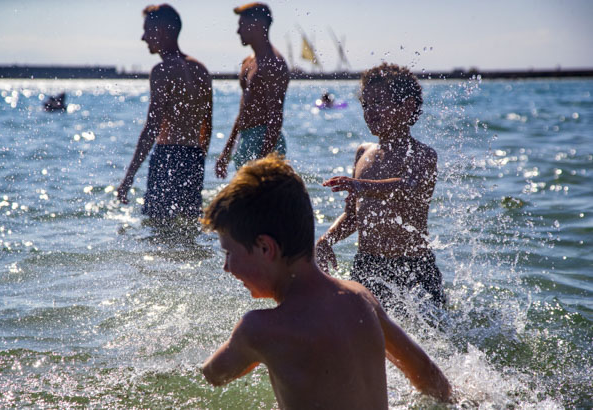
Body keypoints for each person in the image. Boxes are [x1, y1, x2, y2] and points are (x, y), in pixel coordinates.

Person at [201, 154, 452, 408]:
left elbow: (213, 374)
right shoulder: (360, 298)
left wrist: (249, 347)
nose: (226, 267)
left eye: (229, 253)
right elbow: (429, 377)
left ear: (266, 248)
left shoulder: (258, 329)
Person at [316, 63, 446, 309]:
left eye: (378, 103)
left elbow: (408, 186)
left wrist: (359, 184)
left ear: (407, 107)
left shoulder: (422, 155)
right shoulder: (364, 153)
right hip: (367, 265)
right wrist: (327, 239)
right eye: (366, 104)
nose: (370, 111)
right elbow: (354, 215)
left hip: (413, 267)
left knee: (425, 338)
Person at [117, 4, 212, 221]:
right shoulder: (202, 70)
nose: (143, 37)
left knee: (158, 230)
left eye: (148, 30)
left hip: (167, 157)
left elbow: (152, 127)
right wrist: (197, 163)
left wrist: (128, 178)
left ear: (163, 31)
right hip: (194, 157)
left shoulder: (162, 71)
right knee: (189, 229)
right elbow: (207, 125)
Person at [214, 3, 289, 178]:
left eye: (242, 25)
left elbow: (275, 117)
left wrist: (265, 162)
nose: (238, 31)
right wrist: (227, 152)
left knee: (262, 200)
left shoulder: (273, 63)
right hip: (246, 138)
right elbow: (243, 110)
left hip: (264, 139)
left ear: (257, 25)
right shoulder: (248, 61)